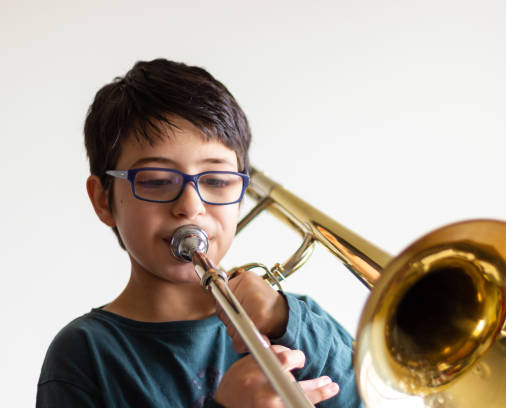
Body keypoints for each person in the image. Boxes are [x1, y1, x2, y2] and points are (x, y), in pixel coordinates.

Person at [36, 58, 363, 408]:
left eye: (217, 181)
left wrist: (286, 319)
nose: (190, 206)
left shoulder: (294, 321)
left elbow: (366, 396)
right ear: (103, 200)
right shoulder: (85, 353)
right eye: (158, 181)